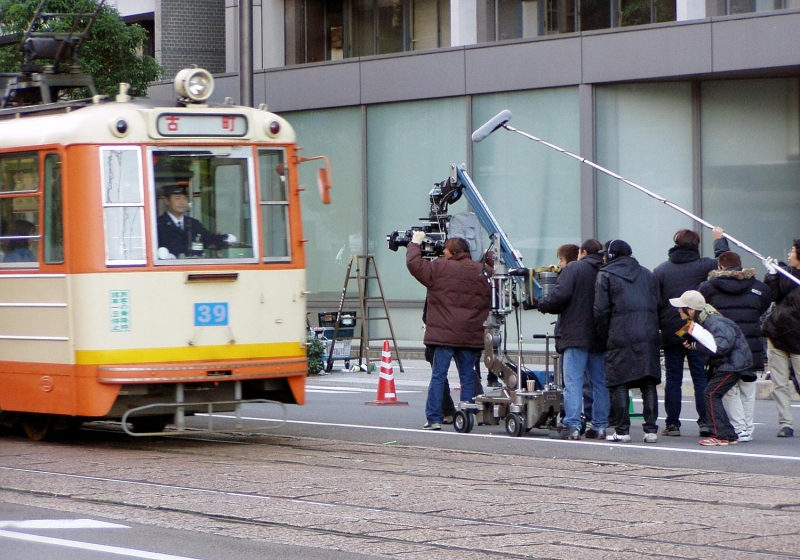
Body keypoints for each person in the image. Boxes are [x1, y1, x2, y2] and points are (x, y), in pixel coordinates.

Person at [407, 233, 492, 431]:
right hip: (470, 334)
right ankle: (466, 415)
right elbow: (498, 277)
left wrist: (415, 244)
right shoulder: (482, 271)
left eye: (445, 249)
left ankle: (434, 418)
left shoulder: (439, 267)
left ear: (452, 252)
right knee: (467, 377)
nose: (442, 252)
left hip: (444, 335)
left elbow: (414, 265)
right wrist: (489, 257)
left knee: (439, 375)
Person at [653, 227, 729, 437]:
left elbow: (656, 303)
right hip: (698, 329)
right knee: (700, 377)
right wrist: (719, 241)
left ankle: (672, 424)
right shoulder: (706, 265)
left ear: (675, 243)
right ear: (696, 245)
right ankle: (705, 421)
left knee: (673, 378)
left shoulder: (661, 270)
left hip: (671, 330)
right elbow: (726, 264)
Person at [538, 239, 609, 440]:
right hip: (600, 335)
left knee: (573, 381)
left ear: (583, 252)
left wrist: (542, 303)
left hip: (576, 334)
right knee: (600, 382)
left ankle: (572, 425)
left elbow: (560, 296)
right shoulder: (605, 270)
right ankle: (600, 426)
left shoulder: (574, 268)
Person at [699, 251, 772, 442]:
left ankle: (739, 428)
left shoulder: (708, 288)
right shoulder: (757, 287)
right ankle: (747, 428)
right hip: (751, 344)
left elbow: (704, 311)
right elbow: (763, 306)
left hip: (726, 345)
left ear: (721, 267)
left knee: (729, 391)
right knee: (748, 388)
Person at [593, 239, 661, 443]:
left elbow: (600, 310)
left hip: (620, 333)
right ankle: (651, 431)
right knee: (648, 381)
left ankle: (622, 431)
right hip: (648, 333)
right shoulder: (647, 274)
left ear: (610, 255)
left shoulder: (605, 274)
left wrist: (604, 335)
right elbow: (657, 303)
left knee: (619, 381)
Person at [669, 290, 753, 446]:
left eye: (682, 307)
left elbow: (720, 347)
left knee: (711, 394)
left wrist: (697, 346)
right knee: (712, 394)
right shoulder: (708, 320)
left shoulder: (714, 321)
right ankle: (728, 435)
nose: (679, 310)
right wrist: (695, 345)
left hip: (731, 365)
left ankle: (720, 435)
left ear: (691, 310)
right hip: (731, 364)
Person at [761, 240, 800, 438]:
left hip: (798, 339)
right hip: (777, 334)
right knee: (779, 383)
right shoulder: (787, 274)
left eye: (792, 251)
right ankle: (786, 423)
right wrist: (772, 275)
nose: (789, 254)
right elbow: (773, 296)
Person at [156, 184, 236, 258]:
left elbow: (209, 239)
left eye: (185, 198)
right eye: (178, 198)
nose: (182, 202)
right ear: (167, 201)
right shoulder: (158, 224)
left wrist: (226, 238)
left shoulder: (194, 224)